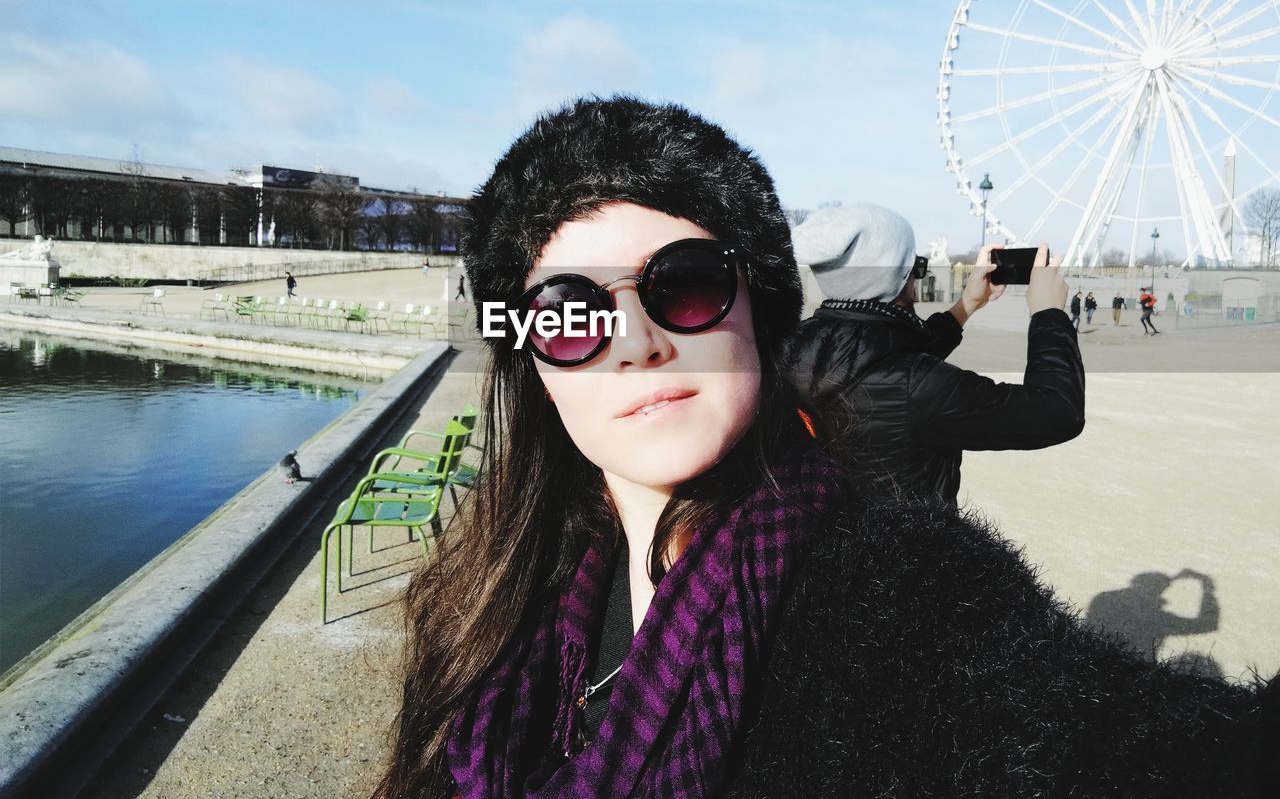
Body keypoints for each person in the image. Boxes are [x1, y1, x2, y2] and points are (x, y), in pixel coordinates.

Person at [372, 97, 1276, 799]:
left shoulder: (910, 596)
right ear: (528, 353)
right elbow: (1013, 400)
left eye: (685, 288)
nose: (637, 341)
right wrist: (1039, 305)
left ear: (759, 320)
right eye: (572, 312)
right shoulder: (499, 599)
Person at [787, 204, 1084, 507]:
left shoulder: (796, 347)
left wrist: (966, 305)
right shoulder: (916, 386)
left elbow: (880, 360)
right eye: (916, 266)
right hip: (912, 548)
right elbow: (1057, 411)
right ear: (899, 278)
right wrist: (1048, 314)